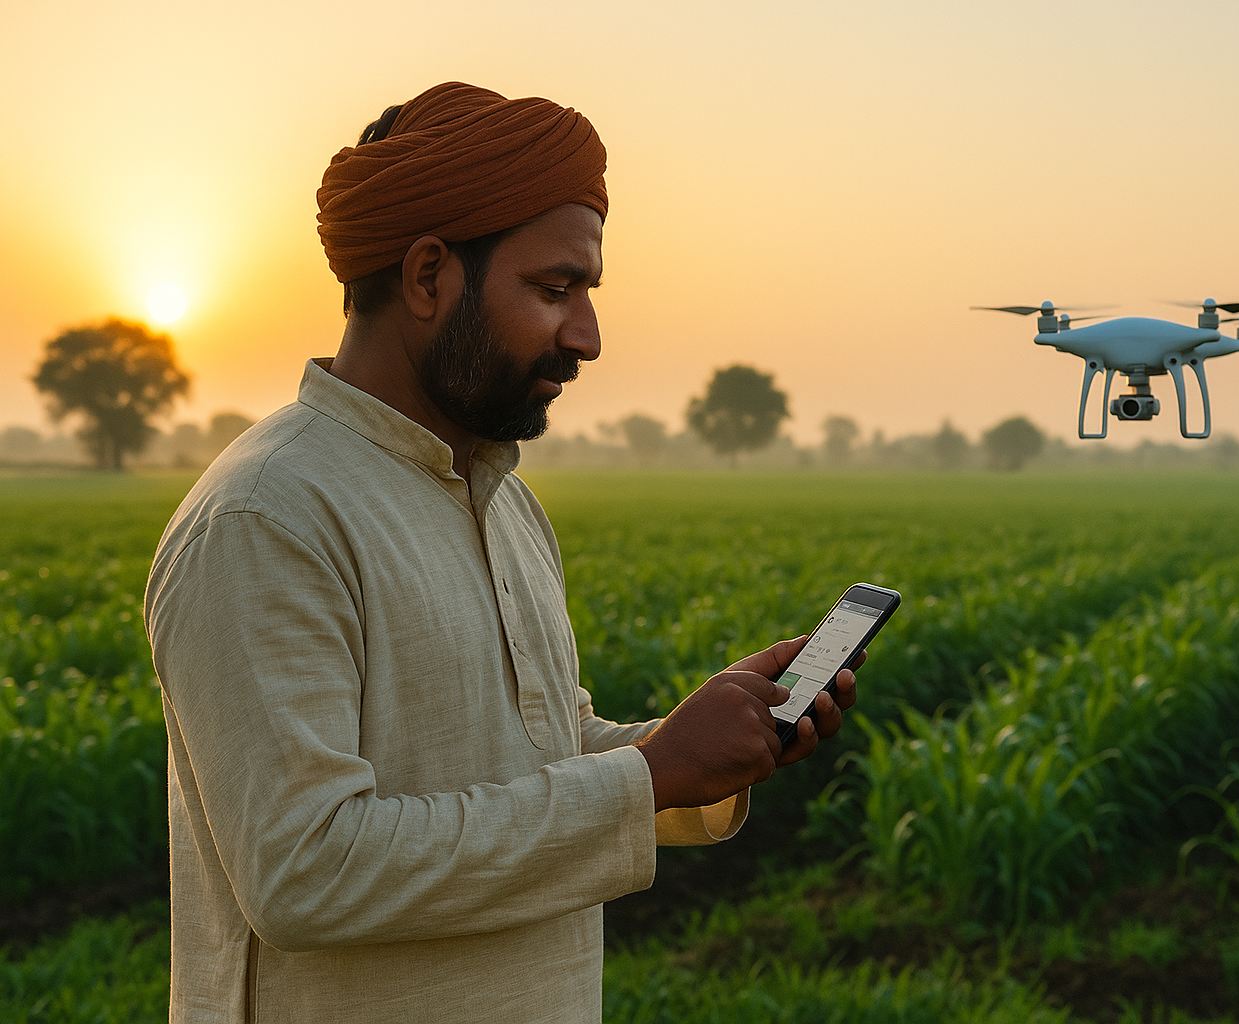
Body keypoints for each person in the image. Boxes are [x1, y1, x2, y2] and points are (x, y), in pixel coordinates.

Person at [144, 81, 858, 1023]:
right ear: (430, 276)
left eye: (587, 294)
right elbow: (305, 870)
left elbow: (535, 762)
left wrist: (692, 745)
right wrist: (648, 776)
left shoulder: (504, 501)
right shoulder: (269, 517)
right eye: (555, 290)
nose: (588, 337)